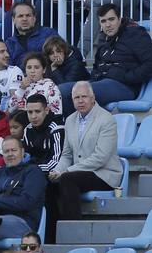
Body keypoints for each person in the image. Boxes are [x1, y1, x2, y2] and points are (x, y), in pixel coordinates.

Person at [44, 82, 120, 242]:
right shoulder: (70, 120)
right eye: (76, 97)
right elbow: (66, 154)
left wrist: (67, 171)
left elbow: (101, 157)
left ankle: (73, 234)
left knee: (67, 179)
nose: (80, 101)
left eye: (84, 96)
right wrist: (58, 170)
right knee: (49, 183)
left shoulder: (106, 119)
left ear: (93, 98)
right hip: (77, 173)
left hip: (103, 174)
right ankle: (51, 237)